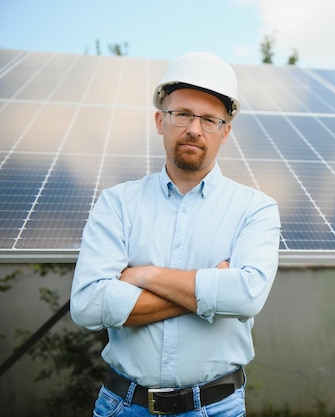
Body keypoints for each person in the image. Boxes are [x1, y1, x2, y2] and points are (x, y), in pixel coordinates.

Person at [70, 52, 281, 416]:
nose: (194, 129)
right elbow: (88, 305)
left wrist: (146, 276)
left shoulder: (255, 210)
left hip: (216, 408)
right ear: (160, 121)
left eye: (209, 119)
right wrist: (212, 287)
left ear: (225, 131)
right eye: (182, 114)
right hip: (123, 406)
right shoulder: (117, 203)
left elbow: (247, 296)